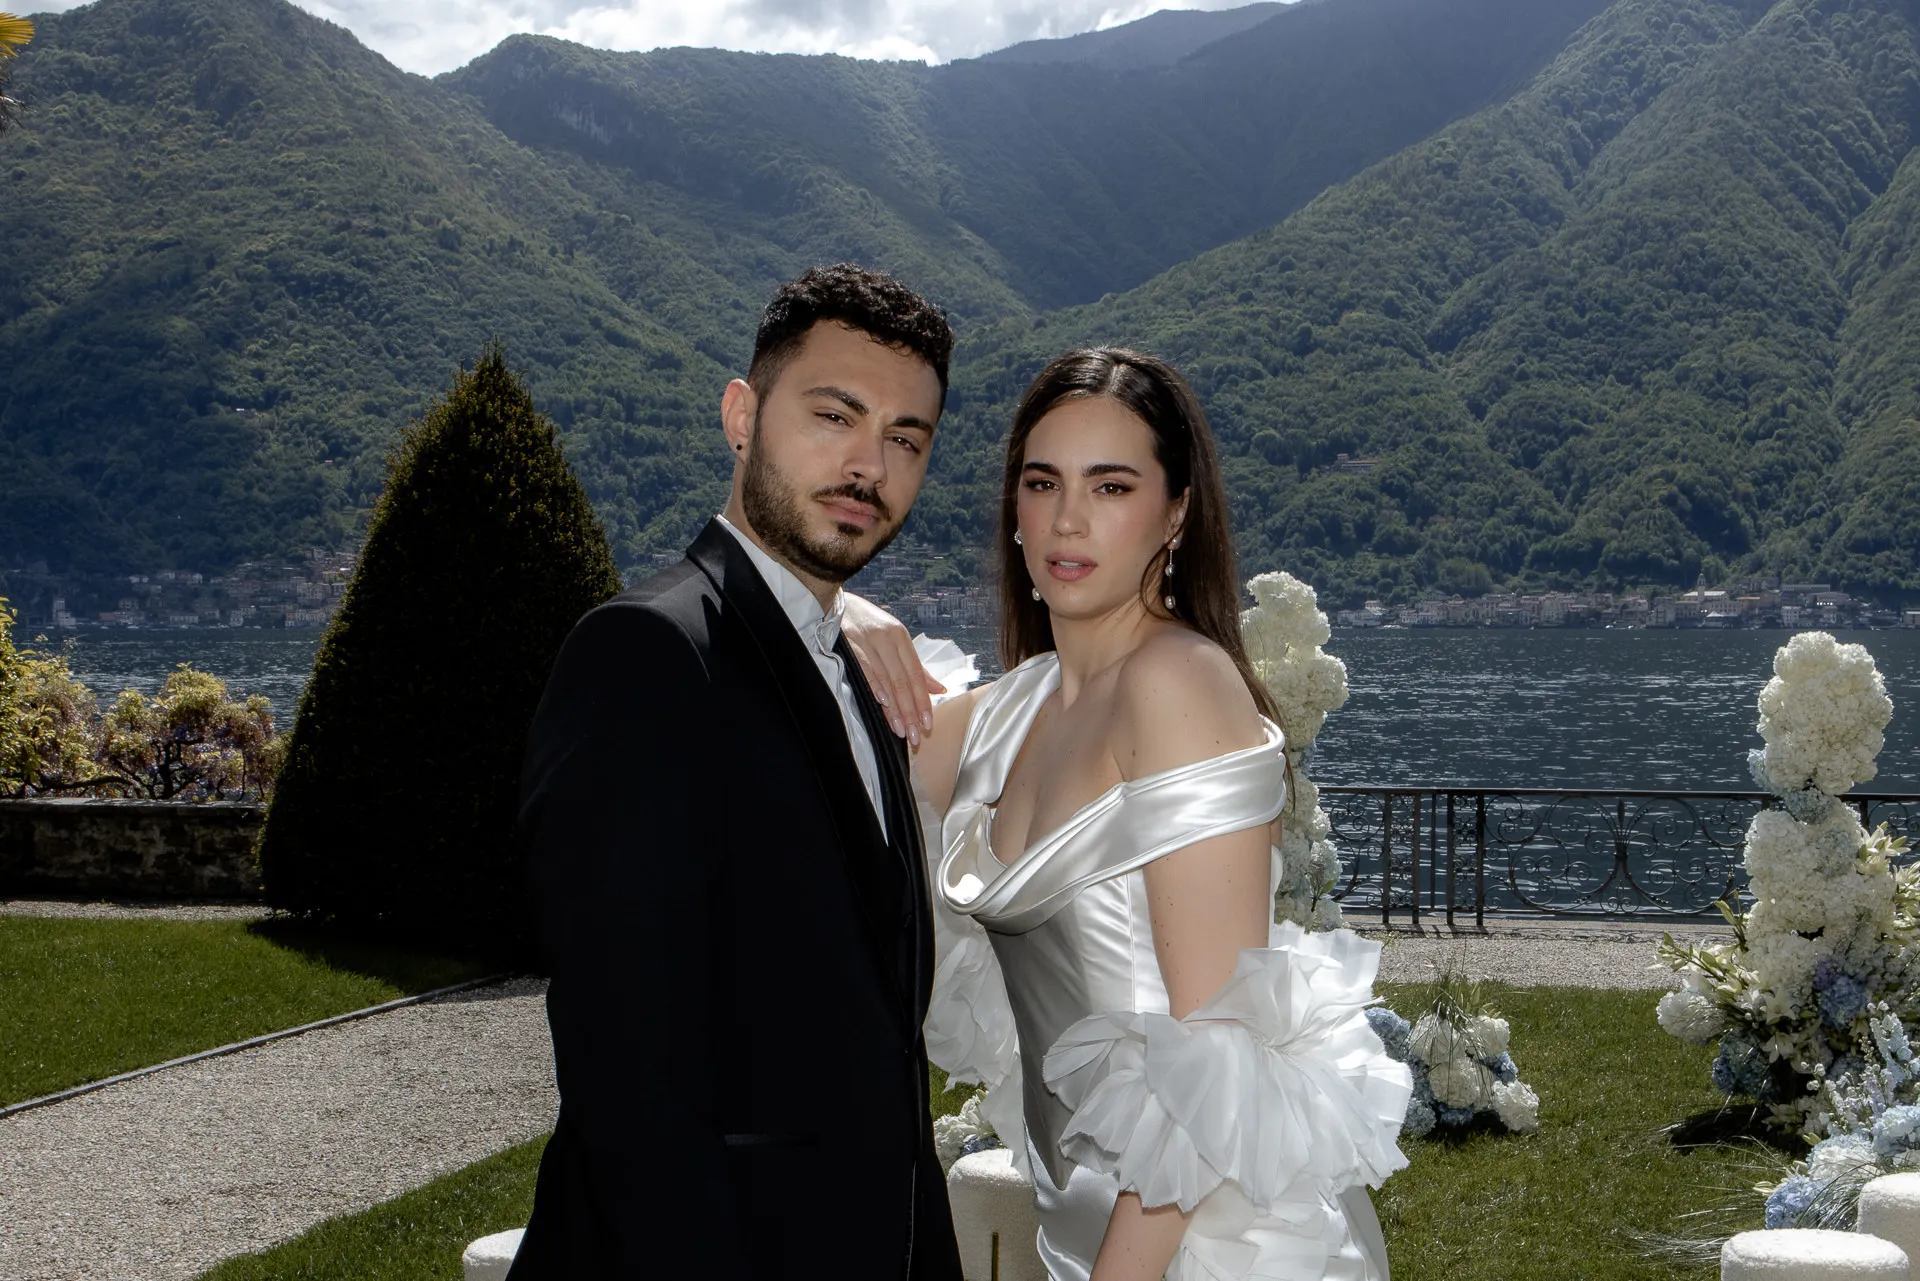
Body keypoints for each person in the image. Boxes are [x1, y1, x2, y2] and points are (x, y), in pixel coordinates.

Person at [846, 348, 1411, 1281]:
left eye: (1110, 485)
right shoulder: (1008, 712)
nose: (1067, 518)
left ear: (1176, 512)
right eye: (1042, 482)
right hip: (1081, 1230)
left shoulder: (1177, 684)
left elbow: (1217, 1051)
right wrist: (848, 615)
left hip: (1192, 1245)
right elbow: (815, 717)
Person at [510, 264, 965, 1280]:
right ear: (742, 416)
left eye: (905, 439)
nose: (868, 466)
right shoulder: (645, 655)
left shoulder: (851, 662)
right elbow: (628, 1081)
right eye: (834, 416)